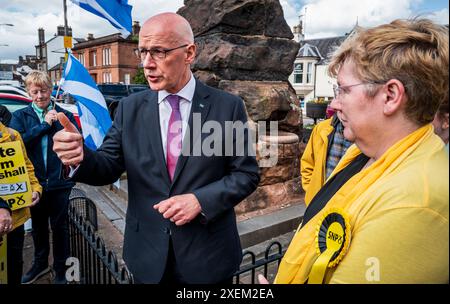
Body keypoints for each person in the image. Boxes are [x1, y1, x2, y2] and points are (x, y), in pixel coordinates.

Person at [52, 13, 260, 284]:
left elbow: (246, 175)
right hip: (148, 255)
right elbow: (107, 165)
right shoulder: (130, 108)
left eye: (159, 52)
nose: (147, 64)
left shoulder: (227, 106)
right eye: (143, 52)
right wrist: (80, 157)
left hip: (208, 256)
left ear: (189, 53)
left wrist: (200, 200)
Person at [262, 18, 448, 284]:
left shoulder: (416, 201)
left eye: (344, 90)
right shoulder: (363, 155)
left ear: (391, 95)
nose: (335, 103)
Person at [10, 71, 79, 284]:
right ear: (29, 92)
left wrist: (58, 121)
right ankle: (40, 264)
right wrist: (44, 126)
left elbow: (76, 142)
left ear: (51, 90)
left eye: (44, 90)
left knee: (60, 229)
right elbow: (18, 145)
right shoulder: (20, 116)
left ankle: (62, 271)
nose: (40, 95)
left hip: (59, 183)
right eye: (35, 91)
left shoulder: (63, 113)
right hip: (35, 184)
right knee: (38, 228)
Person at [0, 121, 42, 284]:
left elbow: (26, 168)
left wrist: (35, 189)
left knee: (14, 266)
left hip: (15, 220)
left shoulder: (12, 135)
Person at [301, 110, 353, 205]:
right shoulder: (321, 128)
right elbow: (307, 164)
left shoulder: (366, 135)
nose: (335, 104)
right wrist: (311, 193)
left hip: (347, 209)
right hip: (318, 204)